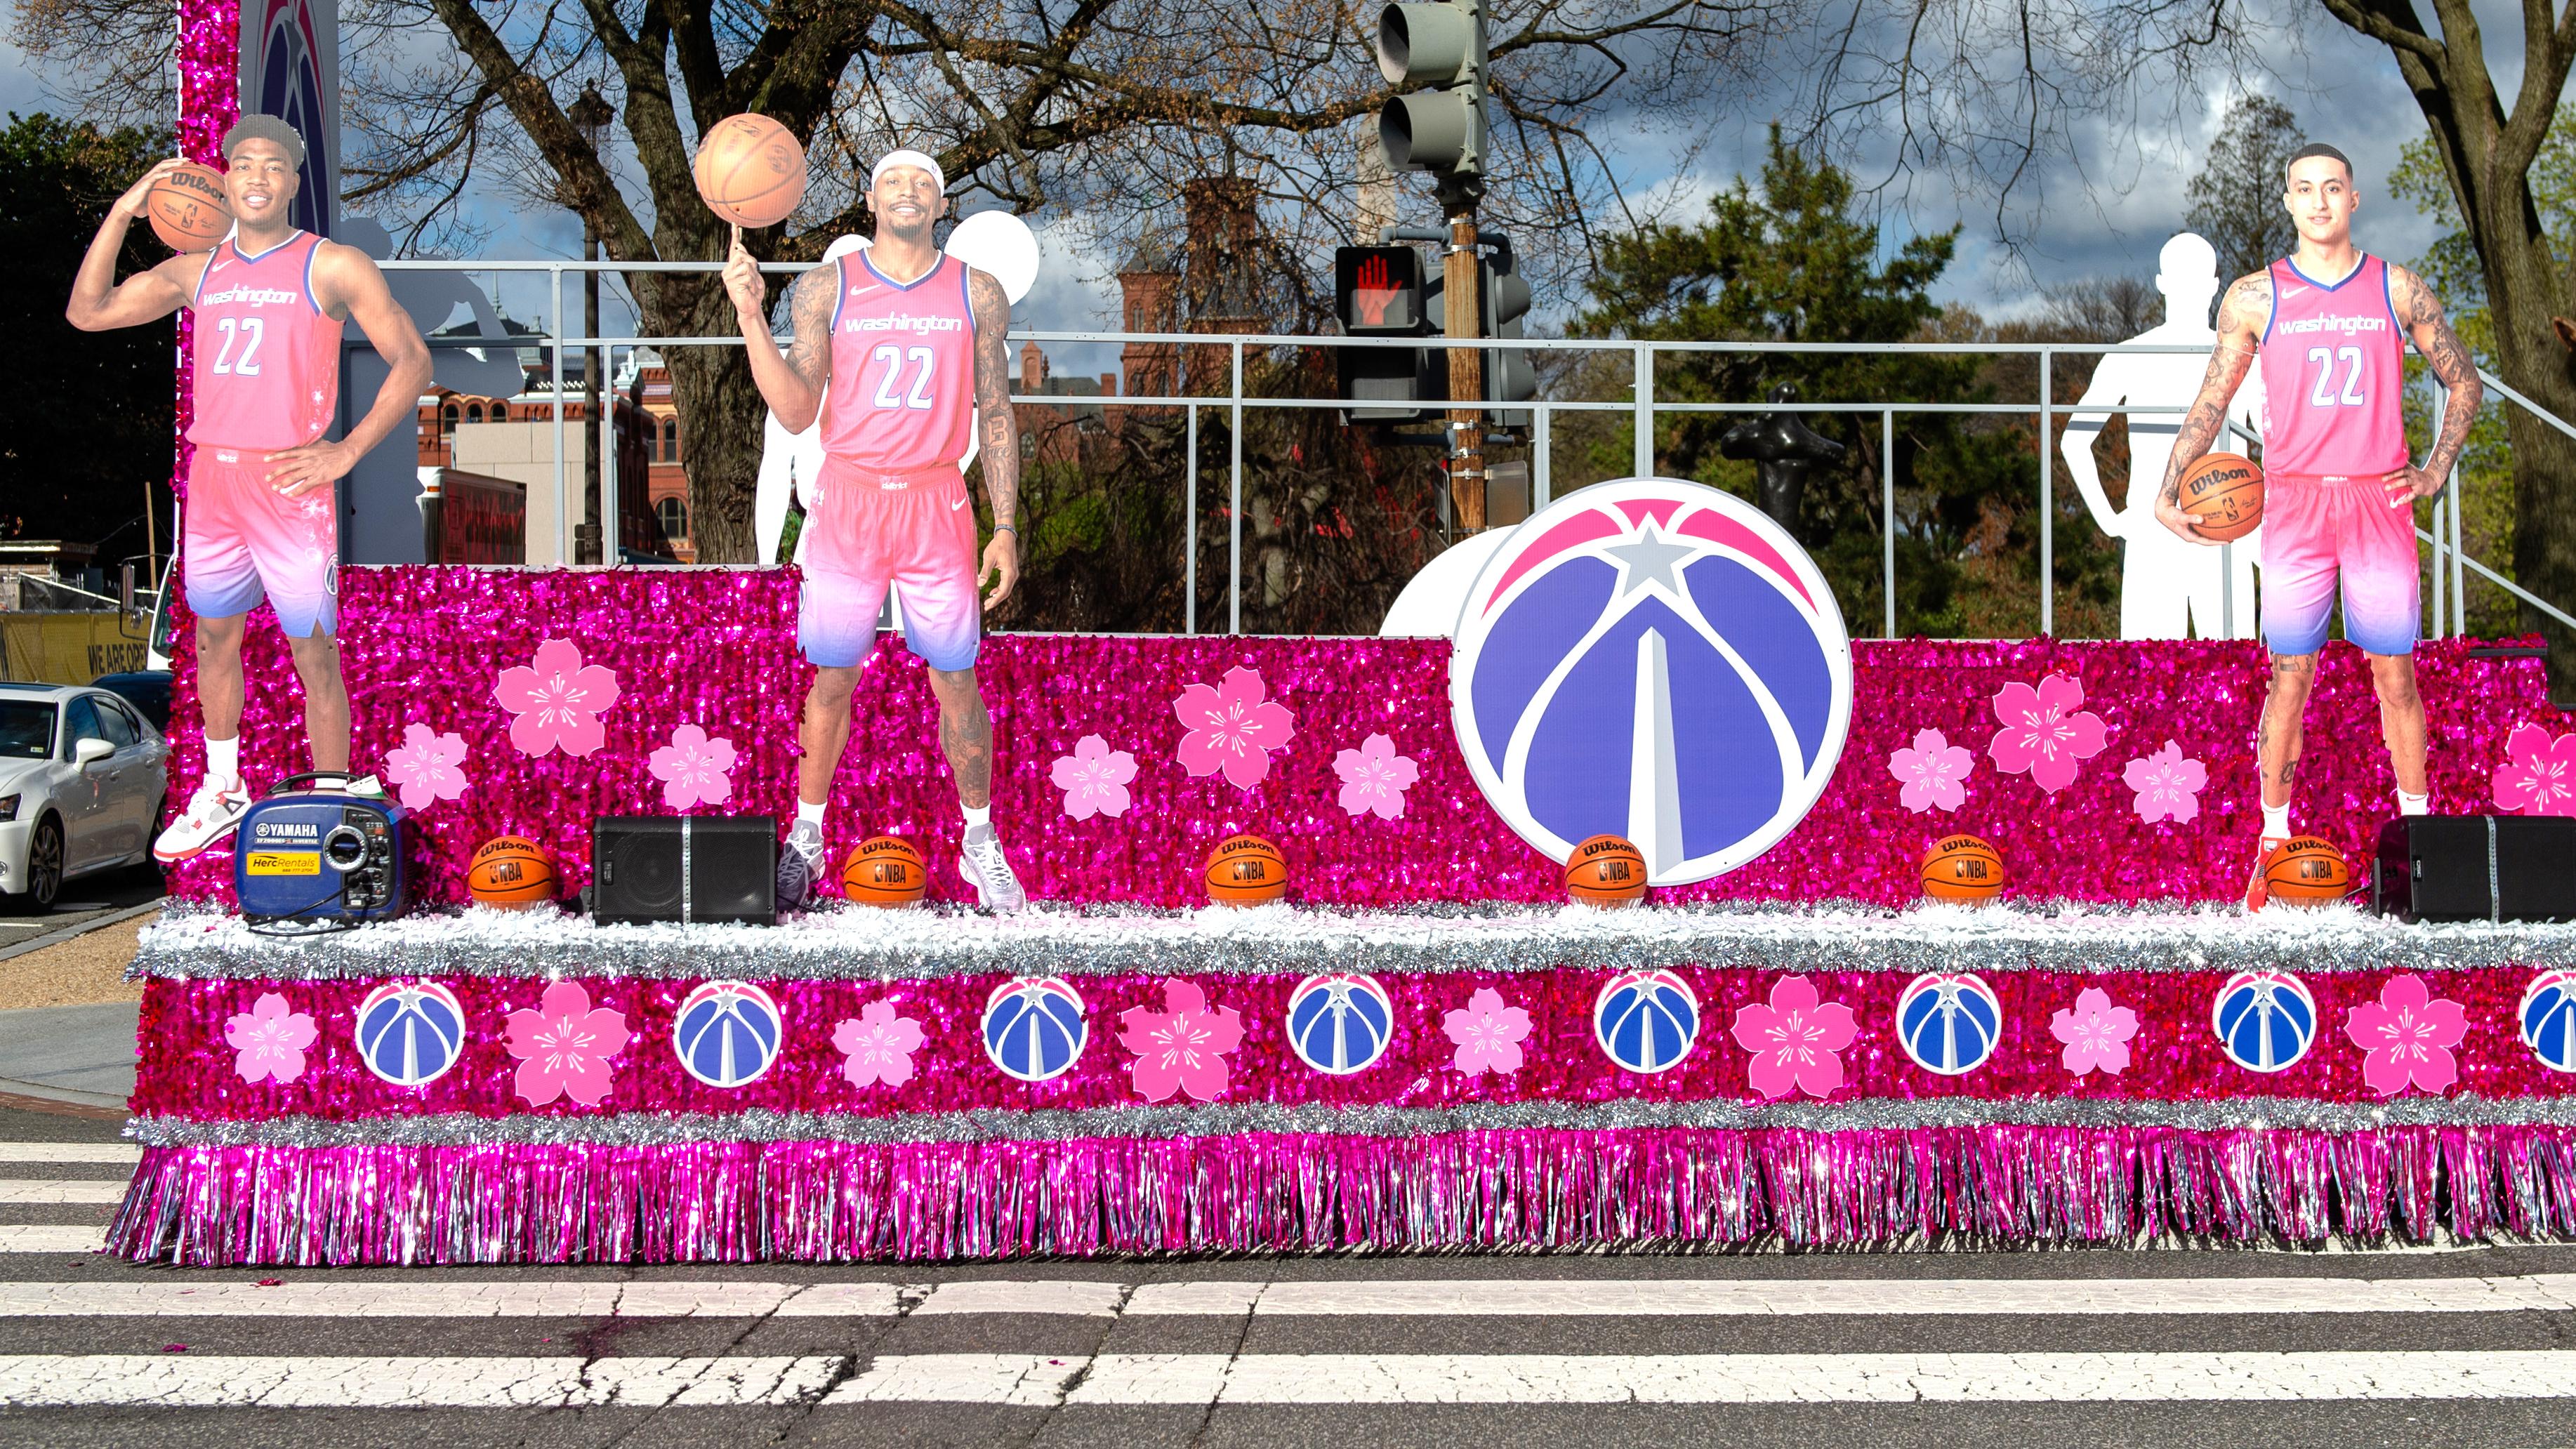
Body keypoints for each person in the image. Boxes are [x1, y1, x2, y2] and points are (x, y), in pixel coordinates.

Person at [67, 116, 432, 860]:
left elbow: (413, 360)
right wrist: (122, 211)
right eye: (243, 163)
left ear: (295, 182)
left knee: (313, 648)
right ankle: (223, 787)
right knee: (211, 637)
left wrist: (348, 451)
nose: (257, 174)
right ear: (225, 179)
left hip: (289, 478)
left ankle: (333, 793)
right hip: (215, 478)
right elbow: (88, 312)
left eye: (273, 164)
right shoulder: (198, 268)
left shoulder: (332, 264)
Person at [2151, 143, 2483, 908]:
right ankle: (2271, 843)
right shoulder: (2254, 297)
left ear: (2353, 199)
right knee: (2290, 676)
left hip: (2378, 499)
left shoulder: (2396, 288)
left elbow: (2463, 381)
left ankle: (2418, 840)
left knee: (2394, 675)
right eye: (2305, 190)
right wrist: (2169, 491)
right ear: (2290, 202)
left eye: (2333, 188)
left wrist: (2432, 472)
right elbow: (2210, 400)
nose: (2320, 202)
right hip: (2295, 502)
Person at [724, 149, 1027, 911]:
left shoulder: (977, 291)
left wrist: (1007, 526)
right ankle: (807, 833)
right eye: (893, 179)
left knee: (955, 676)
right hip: (851, 499)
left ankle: (981, 840)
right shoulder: (828, 286)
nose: (907, 190)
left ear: (942, 203)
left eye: (923, 181)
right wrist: (750, 316)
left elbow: (995, 412)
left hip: (935, 500)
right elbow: (795, 411)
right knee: (833, 676)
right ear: (869, 199)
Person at [2060, 232, 2264, 640]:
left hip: (2182, 526)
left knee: (2149, 675)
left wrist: (2112, 521)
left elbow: (2073, 441)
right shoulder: (2243, 359)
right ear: (2214, 287)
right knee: (2230, 674)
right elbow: (2280, 446)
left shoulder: (2133, 354)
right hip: (2210, 521)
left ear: (2160, 283)